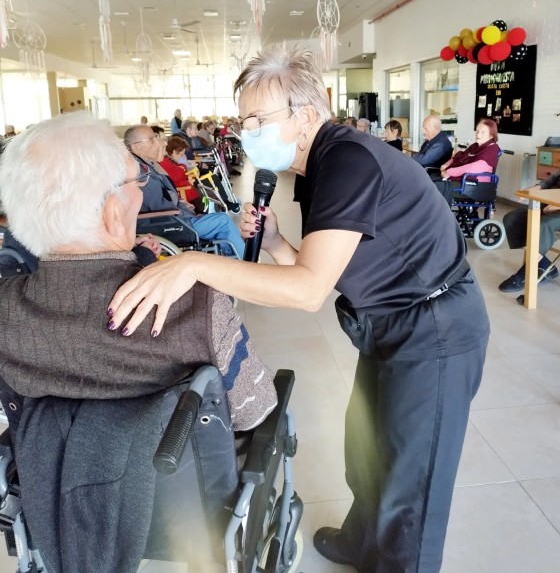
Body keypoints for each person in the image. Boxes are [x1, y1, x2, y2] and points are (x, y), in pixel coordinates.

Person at [107, 44, 490, 573]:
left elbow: (308, 291)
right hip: (387, 322)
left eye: (257, 120)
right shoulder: (320, 165)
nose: (247, 132)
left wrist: (194, 264)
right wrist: (273, 242)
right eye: (244, 121)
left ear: (306, 115)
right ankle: (363, 543)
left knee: (413, 484)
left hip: (435, 326)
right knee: (368, 448)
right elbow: (317, 266)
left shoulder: (349, 160)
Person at [0, 112, 277, 572]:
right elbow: (257, 409)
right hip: (188, 509)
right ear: (112, 211)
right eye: (135, 181)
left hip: (55, 498)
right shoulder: (196, 306)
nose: (140, 191)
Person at [124, 125, 244, 257]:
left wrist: (182, 204)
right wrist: (184, 211)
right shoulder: (140, 174)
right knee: (223, 221)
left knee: (218, 218)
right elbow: (160, 206)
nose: (158, 144)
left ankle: (237, 257)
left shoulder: (145, 166)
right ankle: (244, 262)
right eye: (152, 140)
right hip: (169, 223)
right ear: (136, 147)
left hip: (172, 218)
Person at [498, 169, 560, 292]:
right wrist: (537, 187)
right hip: (549, 204)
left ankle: (526, 273)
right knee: (512, 218)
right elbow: (552, 179)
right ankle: (543, 264)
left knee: (542, 225)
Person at [433, 119, 500, 205]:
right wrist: (447, 164)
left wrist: (449, 172)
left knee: (435, 187)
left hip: (474, 185)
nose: (478, 134)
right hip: (462, 180)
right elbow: (459, 156)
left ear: (491, 135)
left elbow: (475, 167)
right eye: (477, 131)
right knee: (429, 180)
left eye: (483, 132)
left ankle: (436, 211)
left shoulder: (493, 148)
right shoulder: (475, 146)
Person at [160, 134, 205, 212]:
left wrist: (182, 168)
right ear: (174, 152)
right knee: (204, 199)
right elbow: (178, 175)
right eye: (181, 154)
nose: (182, 157)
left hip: (184, 189)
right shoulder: (164, 161)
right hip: (183, 192)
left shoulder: (167, 160)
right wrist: (183, 167)